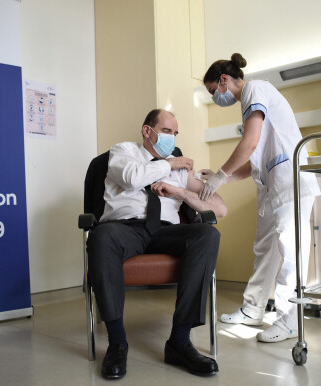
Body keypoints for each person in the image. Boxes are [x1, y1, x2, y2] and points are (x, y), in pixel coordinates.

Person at [87, 109, 227, 379]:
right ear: (147, 131)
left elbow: (219, 209)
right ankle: (117, 343)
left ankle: (179, 341)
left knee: (208, 234)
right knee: (100, 235)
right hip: (124, 229)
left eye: (175, 133)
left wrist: (181, 191)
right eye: (166, 131)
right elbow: (132, 178)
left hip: (166, 232)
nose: (172, 138)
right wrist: (170, 165)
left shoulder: (180, 170)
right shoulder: (123, 152)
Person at [199, 53, 321, 343]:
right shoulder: (248, 103)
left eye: (212, 91)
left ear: (224, 80)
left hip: (290, 178)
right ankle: (253, 309)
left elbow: (250, 142)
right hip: (271, 182)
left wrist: (220, 174)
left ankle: (289, 319)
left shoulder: (255, 88)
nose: (215, 97)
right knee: (265, 247)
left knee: (290, 249)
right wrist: (222, 177)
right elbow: (253, 159)